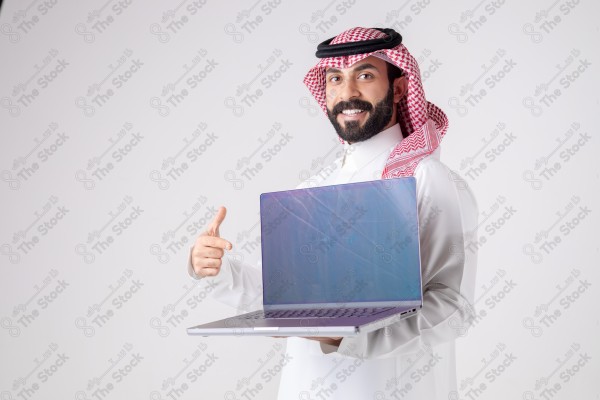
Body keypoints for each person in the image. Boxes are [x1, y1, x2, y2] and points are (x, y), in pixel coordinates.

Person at [188, 27, 478, 399]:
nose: (348, 93)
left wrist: (348, 338)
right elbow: (281, 299)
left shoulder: (428, 180)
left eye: (366, 75)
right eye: (336, 79)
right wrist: (216, 268)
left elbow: (453, 310)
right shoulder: (311, 189)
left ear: (401, 88)